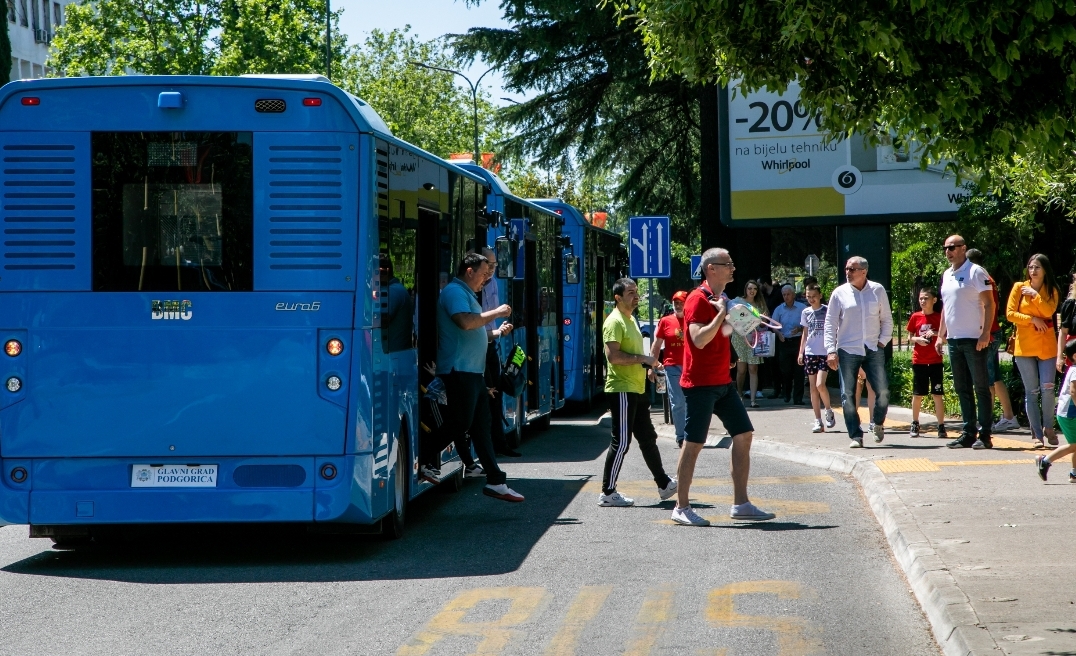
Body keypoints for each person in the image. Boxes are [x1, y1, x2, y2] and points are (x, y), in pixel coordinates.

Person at [674, 248, 774, 526]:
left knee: (744, 435)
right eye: (726, 263)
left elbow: (724, 334)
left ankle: (741, 504)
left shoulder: (723, 298)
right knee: (693, 443)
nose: (732, 267)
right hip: (700, 384)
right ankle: (681, 507)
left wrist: (739, 322)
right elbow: (698, 339)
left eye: (732, 262)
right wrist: (721, 316)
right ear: (710, 269)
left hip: (722, 382)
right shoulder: (697, 299)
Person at [437, 252, 524, 501]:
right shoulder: (455, 292)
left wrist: (495, 333)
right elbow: (465, 323)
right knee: (460, 424)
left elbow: (475, 332)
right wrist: (495, 312)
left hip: (473, 372)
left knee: (481, 428)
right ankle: (426, 457)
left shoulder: (468, 295)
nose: (487, 279)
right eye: (484, 273)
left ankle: (496, 481)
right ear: (469, 270)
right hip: (459, 370)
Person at [599, 278, 678, 507]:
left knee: (647, 438)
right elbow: (613, 357)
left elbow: (632, 354)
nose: (636, 297)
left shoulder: (631, 318)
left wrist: (648, 369)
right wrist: (644, 359)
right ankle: (607, 491)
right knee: (622, 441)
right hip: (622, 388)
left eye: (636, 292)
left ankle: (664, 484)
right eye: (631, 293)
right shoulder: (614, 321)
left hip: (636, 387)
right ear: (618, 297)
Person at [823, 256, 893, 448]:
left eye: (852, 269)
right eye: (846, 269)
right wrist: (830, 350)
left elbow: (887, 319)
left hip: (872, 347)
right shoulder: (839, 293)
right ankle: (856, 435)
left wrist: (882, 342)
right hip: (847, 349)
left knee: (883, 391)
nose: (848, 272)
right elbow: (830, 324)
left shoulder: (877, 290)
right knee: (847, 394)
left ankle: (877, 423)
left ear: (864, 271)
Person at [935, 235, 995, 449]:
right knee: (962, 388)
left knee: (980, 386)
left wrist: (985, 333)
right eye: (945, 248)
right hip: (954, 339)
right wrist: (940, 335)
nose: (948, 251)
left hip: (974, 338)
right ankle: (969, 432)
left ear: (963, 248)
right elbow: (946, 307)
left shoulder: (975, 272)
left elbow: (990, 304)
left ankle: (985, 434)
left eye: (952, 247)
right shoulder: (947, 274)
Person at [1006, 253, 1060, 448]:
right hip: (1025, 345)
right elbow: (1010, 314)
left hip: (1047, 345)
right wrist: (1032, 320)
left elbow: (1048, 312)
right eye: (1030, 267)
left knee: (1048, 388)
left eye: (1037, 267)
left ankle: (1049, 427)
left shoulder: (1051, 290)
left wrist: (1036, 297)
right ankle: (1036, 433)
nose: (1033, 271)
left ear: (1045, 270)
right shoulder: (1019, 288)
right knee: (1032, 391)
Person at [966, 248, 1019, 433]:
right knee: (994, 377)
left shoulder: (979, 278)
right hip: (992, 332)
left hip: (988, 333)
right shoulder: (988, 278)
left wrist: (984, 332)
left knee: (987, 378)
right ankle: (1008, 416)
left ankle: (986, 421)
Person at [479, 247, 520, 459]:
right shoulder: (469, 288)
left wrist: (499, 329)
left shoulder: (493, 283)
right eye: (490, 265)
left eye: (495, 265)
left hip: (491, 344)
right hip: (477, 346)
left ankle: (500, 443)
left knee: (496, 395)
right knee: (484, 397)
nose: (493, 269)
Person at [906, 287, 948, 439]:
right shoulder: (915, 317)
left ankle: (941, 426)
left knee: (937, 395)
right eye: (921, 298)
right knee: (918, 394)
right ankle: (915, 422)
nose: (923, 301)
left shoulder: (939, 317)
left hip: (936, 361)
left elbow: (946, 339)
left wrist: (937, 334)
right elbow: (909, 336)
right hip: (919, 361)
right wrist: (917, 339)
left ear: (934, 300)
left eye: (926, 298)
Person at [650, 290, 689, 447]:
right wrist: (652, 367)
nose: (678, 305)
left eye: (681, 302)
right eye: (675, 303)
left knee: (692, 402)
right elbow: (657, 345)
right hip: (672, 367)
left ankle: (692, 435)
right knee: (677, 402)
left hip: (691, 366)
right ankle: (681, 437)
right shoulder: (665, 321)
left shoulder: (693, 320)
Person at [1036, 339, 1076, 482]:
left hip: (1067, 413)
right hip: (1070, 414)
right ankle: (1045, 460)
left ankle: (1074, 473)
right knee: (1074, 445)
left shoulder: (1073, 369)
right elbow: (1074, 392)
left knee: (1074, 443)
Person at [797, 283, 835, 432]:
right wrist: (801, 352)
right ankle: (818, 421)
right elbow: (805, 334)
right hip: (810, 352)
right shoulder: (805, 312)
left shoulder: (827, 311)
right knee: (813, 388)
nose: (811, 299)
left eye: (814, 296)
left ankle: (828, 410)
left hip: (825, 352)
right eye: (808, 296)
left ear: (820, 295)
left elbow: (833, 330)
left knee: (820, 384)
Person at [731, 280, 768, 406]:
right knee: (741, 370)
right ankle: (739, 394)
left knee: (753, 368)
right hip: (739, 337)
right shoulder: (738, 301)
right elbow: (732, 317)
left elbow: (764, 323)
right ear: (745, 289)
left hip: (754, 337)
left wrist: (762, 319)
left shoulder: (760, 304)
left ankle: (753, 400)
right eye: (750, 288)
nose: (752, 291)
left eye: (755, 289)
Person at [771, 285, 807, 404]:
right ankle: (786, 393)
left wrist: (800, 329)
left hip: (798, 342)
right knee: (786, 371)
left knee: (799, 371)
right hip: (784, 342)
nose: (786, 297)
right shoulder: (779, 309)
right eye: (784, 295)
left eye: (788, 294)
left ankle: (798, 398)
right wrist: (778, 333)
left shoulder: (802, 308)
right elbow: (773, 325)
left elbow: (808, 325)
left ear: (793, 295)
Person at [761, 278, 785, 398]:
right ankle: (776, 389)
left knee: (781, 362)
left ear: (765, 283)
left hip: (780, 331)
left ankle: (784, 390)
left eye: (760, 284)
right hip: (769, 332)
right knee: (772, 361)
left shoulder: (779, 294)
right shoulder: (764, 296)